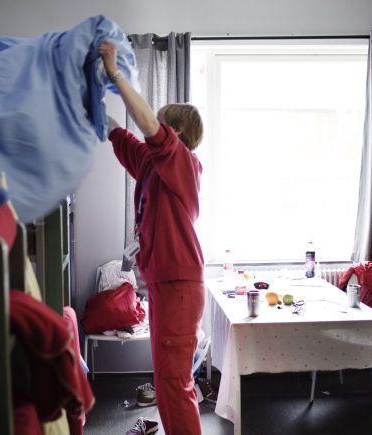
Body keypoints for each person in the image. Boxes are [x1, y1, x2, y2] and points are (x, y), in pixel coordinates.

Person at [99, 40, 205, 435]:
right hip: (164, 283)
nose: (151, 129)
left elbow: (146, 127)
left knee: (175, 384)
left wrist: (114, 72)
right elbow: (118, 133)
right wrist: (92, 104)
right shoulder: (148, 162)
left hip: (179, 285)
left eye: (160, 124)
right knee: (165, 381)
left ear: (175, 133)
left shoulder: (183, 163)